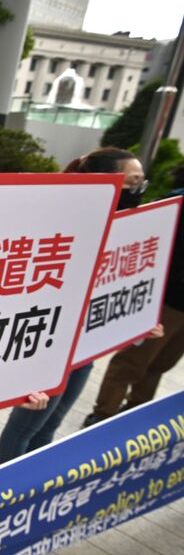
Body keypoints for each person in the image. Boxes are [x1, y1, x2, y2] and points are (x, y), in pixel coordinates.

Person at [0, 147, 158, 464]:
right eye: (132, 182)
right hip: (53, 345)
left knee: (50, 425)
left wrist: (140, 319)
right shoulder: (61, 228)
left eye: (142, 182)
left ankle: (32, 486)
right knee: (24, 428)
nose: (138, 190)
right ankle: (3, 495)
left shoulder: (128, 232)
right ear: (103, 182)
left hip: (84, 347)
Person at [81, 161, 184, 427]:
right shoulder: (175, 203)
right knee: (132, 362)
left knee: (161, 364)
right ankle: (102, 417)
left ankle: (135, 415)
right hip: (165, 299)